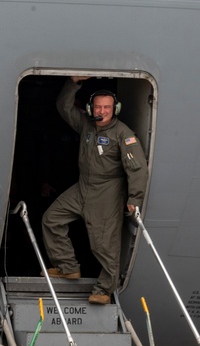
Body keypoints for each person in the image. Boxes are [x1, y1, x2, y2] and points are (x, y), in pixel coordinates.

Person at [42, 76, 149, 304]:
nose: (102, 111)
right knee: (52, 219)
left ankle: (104, 289)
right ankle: (68, 266)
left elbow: (137, 168)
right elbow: (64, 107)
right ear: (91, 108)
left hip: (107, 191)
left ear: (115, 109)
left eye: (107, 107)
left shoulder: (123, 134)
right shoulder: (87, 126)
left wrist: (134, 197)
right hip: (83, 187)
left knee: (103, 244)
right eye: (98, 106)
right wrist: (73, 83)